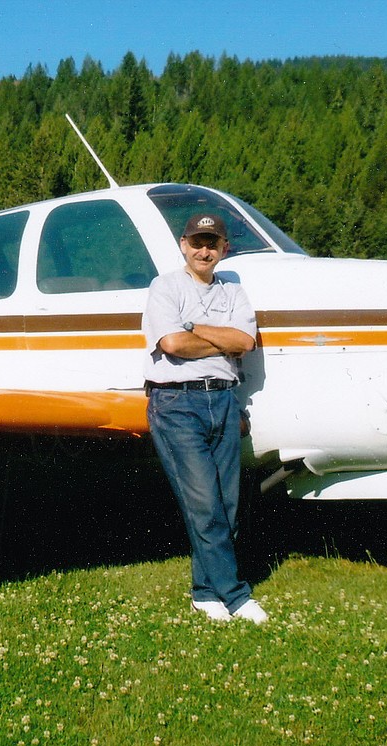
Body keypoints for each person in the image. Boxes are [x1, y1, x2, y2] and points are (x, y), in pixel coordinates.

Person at [142, 213, 268, 624]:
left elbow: (244, 341)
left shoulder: (235, 292)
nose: (204, 250)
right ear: (183, 245)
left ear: (223, 249)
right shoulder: (165, 287)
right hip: (177, 404)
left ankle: (204, 591)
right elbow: (173, 343)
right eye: (197, 242)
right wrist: (221, 341)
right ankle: (235, 594)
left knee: (227, 506)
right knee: (204, 504)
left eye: (212, 243)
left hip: (225, 402)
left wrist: (197, 326)